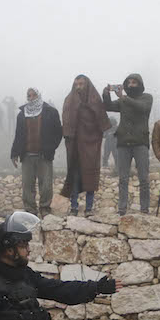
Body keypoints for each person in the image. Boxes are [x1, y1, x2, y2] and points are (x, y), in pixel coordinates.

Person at [104, 74, 153, 215]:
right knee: (123, 178)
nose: (131, 85)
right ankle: (122, 208)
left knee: (143, 178)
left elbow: (142, 108)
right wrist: (106, 94)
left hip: (140, 142)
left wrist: (123, 97)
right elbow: (107, 106)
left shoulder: (147, 97)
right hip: (123, 143)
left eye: (134, 82)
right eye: (129, 82)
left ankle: (144, 209)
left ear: (140, 84)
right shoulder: (122, 101)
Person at [62, 75, 110, 216]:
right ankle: (74, 207)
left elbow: (101, 121)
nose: (78, 87)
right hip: (75, 144)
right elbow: (66, 121)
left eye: (81, 84)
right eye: (76, 84)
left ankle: (89, 208)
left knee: (91, 174)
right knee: (75, 176)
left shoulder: (94, 99)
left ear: (87, 85)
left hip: (91, 142)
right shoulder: (69, 100)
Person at [11, 88, 63, 217]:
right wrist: (14, 153)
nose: (31, 97)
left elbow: (58, 132)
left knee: (46, 184)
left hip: (44, 155)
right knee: (27, 184)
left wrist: (51, 148)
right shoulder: (22, 113)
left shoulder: (50, 111)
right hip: (27, 155)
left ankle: (45, 208)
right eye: (29, 95)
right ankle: (30, 210)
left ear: (39, 95)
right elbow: (18, 134)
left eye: (34, 95)